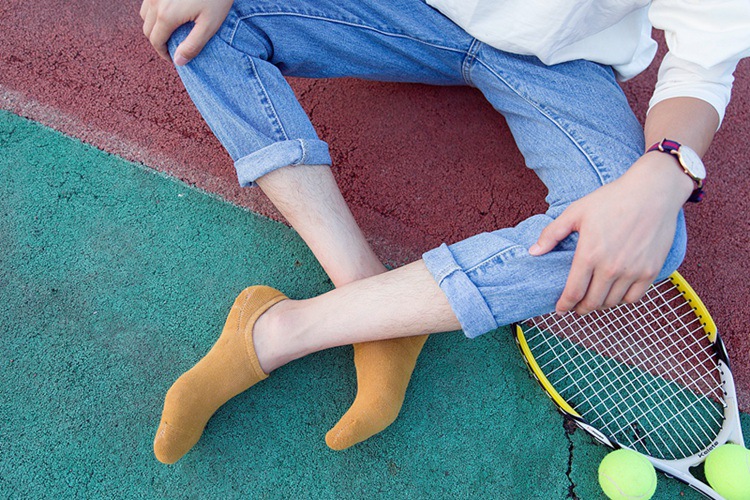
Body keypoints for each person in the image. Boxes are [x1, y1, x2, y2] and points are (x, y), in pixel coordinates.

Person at [140, 0, 749, 464]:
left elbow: (701, 70)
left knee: (650, 238)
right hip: (418, 10)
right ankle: (367, 296)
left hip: (565, 64)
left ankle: (280, 330)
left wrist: (666, 170)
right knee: (199, 24)